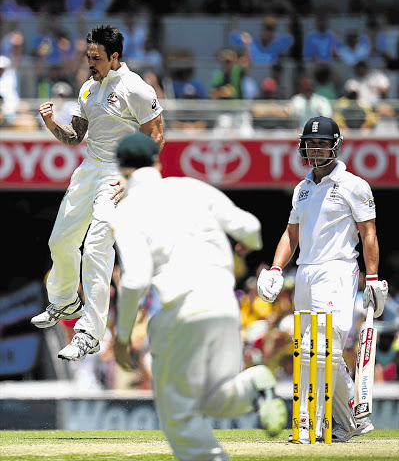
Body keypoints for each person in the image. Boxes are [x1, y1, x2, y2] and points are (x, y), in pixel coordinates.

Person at [111, 132, 287, 461]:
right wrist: (246, 242)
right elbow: (250, 227)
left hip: (181, 312)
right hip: (223, 306)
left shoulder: (127, 209)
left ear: (121, 170)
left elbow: (134, 279)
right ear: (158, 162)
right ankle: (254, 385)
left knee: (179, 418)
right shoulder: (190, 186)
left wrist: (121, 338)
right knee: (215, 398)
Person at [31, 25, 164, 362]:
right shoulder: (88, 88)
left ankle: (90, 332)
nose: (90, 62)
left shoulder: (136, 89)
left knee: (96, 248)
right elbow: (76, 137)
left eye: (97, 57)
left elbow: (157, 136)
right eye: (88, 56)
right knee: (59, 241)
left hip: (119, 175)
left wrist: (133, 177)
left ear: (115, 56)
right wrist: (51, 126)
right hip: (89, 169)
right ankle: (64, 301)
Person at [256, 116, 389, 443]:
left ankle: (319, 425)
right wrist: (276, 269)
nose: (315, 149)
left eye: (321, 143)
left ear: (335, 145)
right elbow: (291, 234)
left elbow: (368, 233)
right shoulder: (301, 189)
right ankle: (348, 422)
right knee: (309, 353)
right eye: (311, 143)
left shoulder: (354, 185)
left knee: (324, 350)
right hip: (306, 272)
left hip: (338, 271)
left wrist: (372, 278)